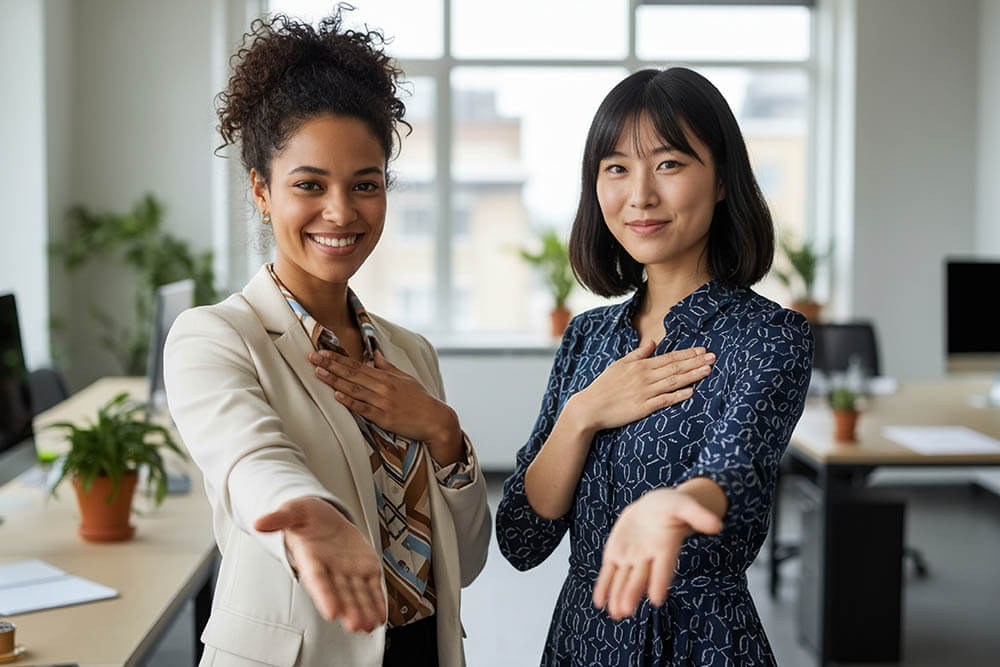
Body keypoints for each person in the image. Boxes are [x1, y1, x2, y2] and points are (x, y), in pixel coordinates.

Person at [164, 8, 490, 667]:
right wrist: (304, 510)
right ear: (262, 191)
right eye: (309, 184)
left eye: (365, 184)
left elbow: (468, 558)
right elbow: (249, 458)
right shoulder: (216, 338)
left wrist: (444, 433)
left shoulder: (411, 353)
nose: (340, 212)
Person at [495, 67, 814, 666]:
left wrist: (677, 504)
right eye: (616, 168)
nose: (639, 195)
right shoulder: (587, 337)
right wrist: (583, 413)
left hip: (700, 643)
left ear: (722, 180)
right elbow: (521, 537)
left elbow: (735, 472)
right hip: (582, 642)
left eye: (668, 164)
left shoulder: (769, 336)